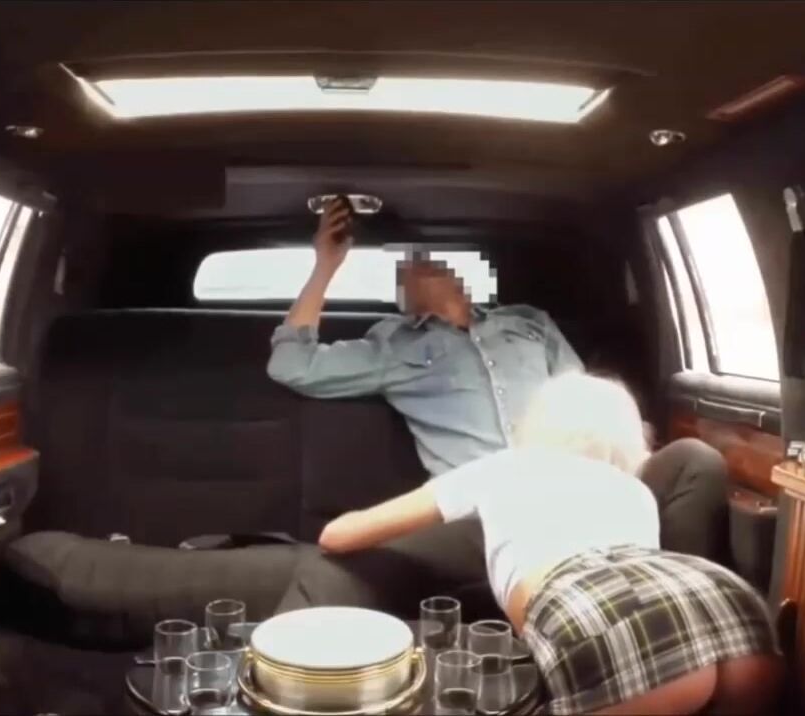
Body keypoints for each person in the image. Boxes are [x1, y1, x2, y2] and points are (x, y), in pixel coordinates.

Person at [268, 199, 730, 615]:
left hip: (585, 487)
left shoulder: (529, 323)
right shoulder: (393, 345)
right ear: (400, 298)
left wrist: (627, 459)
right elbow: (292, 364)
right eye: (404, 266)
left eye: (431, 258)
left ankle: (686, 602)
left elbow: (584, 397)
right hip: (486, 516)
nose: (418, 264)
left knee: (696, 459)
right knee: (339, 565)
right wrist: (326, 265)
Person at [319, 373, 781, 715]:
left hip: (604, 619)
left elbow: (339, 537)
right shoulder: (634, 489)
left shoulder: (502, 466)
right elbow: (646, 582)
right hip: (729, 602)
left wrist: (335, 522)